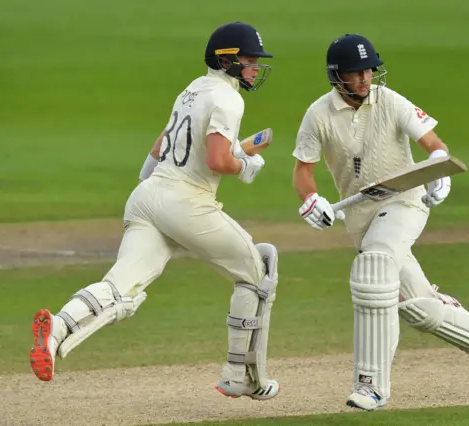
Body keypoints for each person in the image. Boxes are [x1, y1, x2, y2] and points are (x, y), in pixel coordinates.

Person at [29, 21, 280, 401]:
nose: (253, 67)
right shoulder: (230, 99)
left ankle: (56, 332)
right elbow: (216, 160)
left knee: (120, 286)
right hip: (186, 201)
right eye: (248, 59)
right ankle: (240, 376)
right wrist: (245, 165)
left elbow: (160, 143)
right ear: (225, 59)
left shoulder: (191, 90)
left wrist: (149, 184)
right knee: (259, 271)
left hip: (147, 196)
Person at [292, 33, 469, 411]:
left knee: (374, 265)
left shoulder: (391, 101)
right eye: (355, 73)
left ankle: (371, 386)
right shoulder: (318, 115)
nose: (364, 79)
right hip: (360, 216)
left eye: (368, 71)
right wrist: (312, 200)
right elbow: (302, 171)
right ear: (336, 76)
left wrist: (438, 171)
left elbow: (434, 144)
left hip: (404, 203)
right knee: (420, 309)